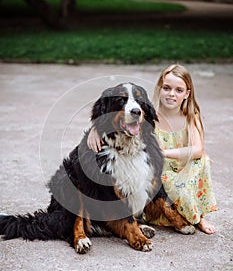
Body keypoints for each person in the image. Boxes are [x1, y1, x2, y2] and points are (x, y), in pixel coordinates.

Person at [87, 64, 217, 234]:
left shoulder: (190, 116)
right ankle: (152, 215)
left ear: (187, 94)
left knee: (203, 160)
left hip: (183, 167)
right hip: (163, 171)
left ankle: (198, 217)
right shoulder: (150, 113)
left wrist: (164, 153)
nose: (171, 94)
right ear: (159, 89)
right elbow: (113, 116)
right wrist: (94, 130)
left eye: (178, 90)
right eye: (166, 88)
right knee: (157, 182)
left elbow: (198, 149)